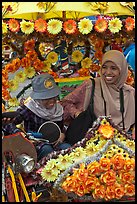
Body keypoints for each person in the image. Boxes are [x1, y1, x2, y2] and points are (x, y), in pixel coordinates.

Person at [61, 50, 135, 140]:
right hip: (92, 144)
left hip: (123, 145)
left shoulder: (129, 93)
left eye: (113, 68)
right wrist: (77, 114)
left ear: (122, 70)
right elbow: (65, 103)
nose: (107, 72)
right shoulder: (91, 85)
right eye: (104, 67)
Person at [3, 73, 71, 160]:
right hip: (36, 144)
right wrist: (20, 134)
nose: (52, 101)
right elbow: (9, 123)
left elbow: (60, 128)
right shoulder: (30, 108)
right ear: (38, 98)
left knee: (67, 148)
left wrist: (62, 134)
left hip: (56, 142)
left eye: (53, 97)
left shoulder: (58, 109)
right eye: (46, 98)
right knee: (47, 150)